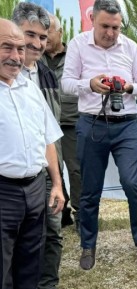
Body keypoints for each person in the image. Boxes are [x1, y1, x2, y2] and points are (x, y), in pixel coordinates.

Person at [61, 0, 137, 271]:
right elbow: (66, 84)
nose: (111, 33)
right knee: (90, 190)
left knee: (132, 183)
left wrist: (129, 87)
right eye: (105, 26)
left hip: (127, 125)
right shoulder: (78, 44)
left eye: (115, 27)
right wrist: (89, 84)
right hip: (91, 123)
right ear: (93, 21)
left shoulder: (131, 47)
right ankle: (88, 246)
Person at [0, 18, 64, 289]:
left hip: (35, 186)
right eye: (6, 47)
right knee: (2, 261)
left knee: (29, 255)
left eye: (19, 48)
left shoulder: (28, 86)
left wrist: (56, 183)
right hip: (3, 189)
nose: (15, 55)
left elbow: (48, 138)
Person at [12, 2, 65, 289]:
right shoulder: (7, 72)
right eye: (29, 34)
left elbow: (50, 129)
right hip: (15, 174)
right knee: (18, 236)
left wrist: (59, 178)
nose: (36, 43)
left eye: (43, 37)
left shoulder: (45, 73)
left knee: (52, 229)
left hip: (47, 168)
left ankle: (46, 287)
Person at [42, 14, 81, 234]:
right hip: (46, 125)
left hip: (71, 122)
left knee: (76, 171)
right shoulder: (36, 57)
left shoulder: (75, 56)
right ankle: (61, 212)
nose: (44, 36)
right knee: (52, 170)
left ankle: (82, 215)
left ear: (60, 32)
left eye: (48, 31)